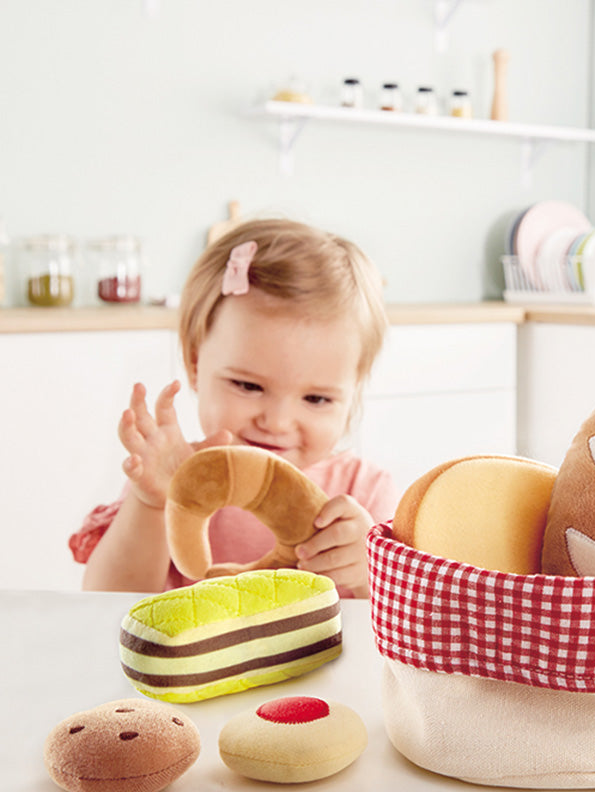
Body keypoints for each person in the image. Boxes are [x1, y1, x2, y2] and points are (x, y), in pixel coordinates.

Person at [69, 218, 396, 598]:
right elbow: (107, 600)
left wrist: (367, 574)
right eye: (248, 386)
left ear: (352, 393)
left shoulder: (365, 496)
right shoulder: (174, 477)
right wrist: (151, 505)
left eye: (316, 399)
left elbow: (405, 625)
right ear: (195, 366)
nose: (277, 422)